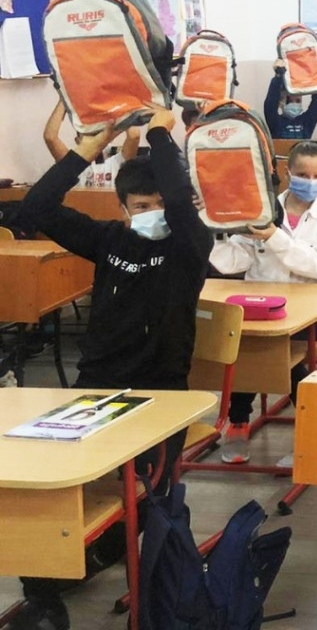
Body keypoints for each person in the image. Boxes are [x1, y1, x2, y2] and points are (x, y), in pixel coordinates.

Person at [15, 104, 212, 630]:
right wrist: (85, 149)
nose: (153, 213)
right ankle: (42, 590)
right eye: (141, 205)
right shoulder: (109, 240)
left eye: (161, 204)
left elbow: (179, 204)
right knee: (49, 481)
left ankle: (104, 553)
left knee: (148, 492)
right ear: (124, 208)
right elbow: (34, 209)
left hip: (162, 396)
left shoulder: (190, 245)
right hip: (97, 388)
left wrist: (161, 137)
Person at [209, 141, 317, 464]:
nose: (310, 181)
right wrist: (215, 231)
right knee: (244, 346)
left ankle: (313, 429)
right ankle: (239, 423)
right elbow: (232, 262)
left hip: (315, 309)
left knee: (279, 353)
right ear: (287, 172)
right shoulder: (261, 210)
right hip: (261, 306)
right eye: (303, 174)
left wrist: (274, 237)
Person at [43, 99, 140, 188]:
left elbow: (134, 135)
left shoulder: (117, 162)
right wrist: (64, 97)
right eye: (87, 134)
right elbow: (50, 137)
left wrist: (120, 101)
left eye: (97, 133)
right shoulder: (72, 164)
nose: (94, 138)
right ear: (78, 141)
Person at [263, 58, 317, 139]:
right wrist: (278, 76)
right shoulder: (275, 121)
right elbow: (271, 102)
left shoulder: (306, 121)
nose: (294, 103)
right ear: (281, 102)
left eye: (298, 101)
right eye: (290, 100)